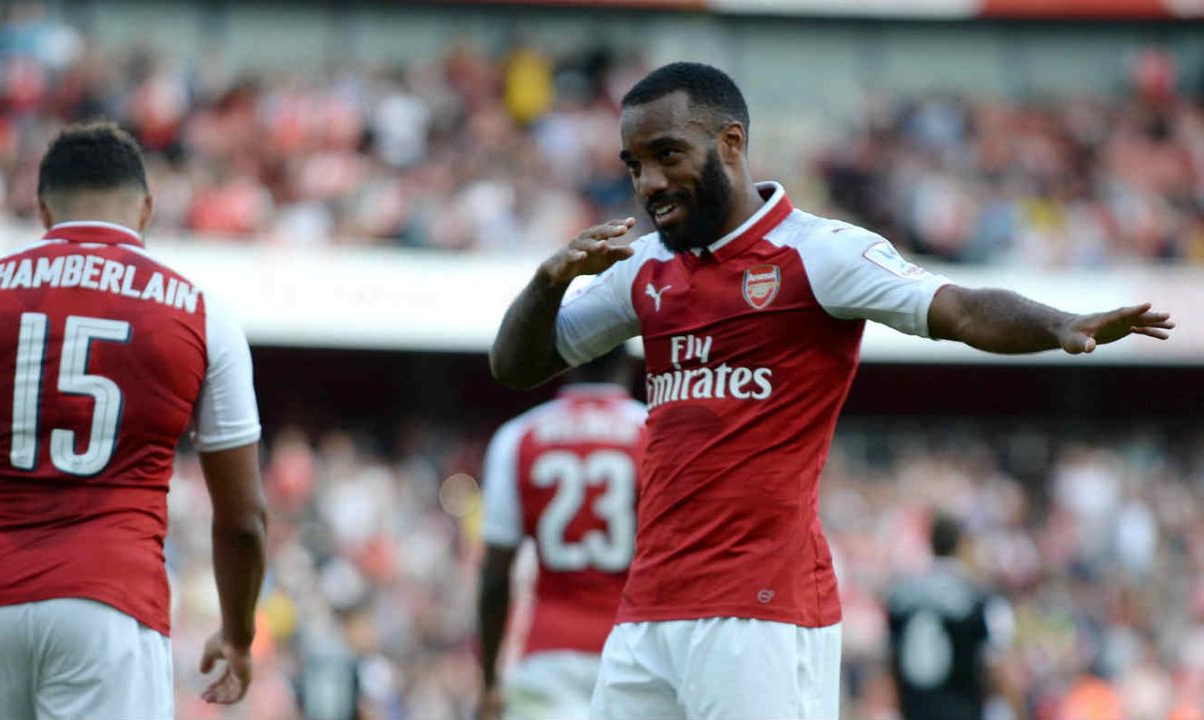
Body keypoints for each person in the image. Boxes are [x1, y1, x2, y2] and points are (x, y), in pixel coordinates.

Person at [488, 62, 1174, 720]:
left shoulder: (817, 253)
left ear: (730, 143)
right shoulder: (644, 270)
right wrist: (550, 282)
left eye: (666, 154)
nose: (649, 182)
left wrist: (1060, 324)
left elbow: (957, 307)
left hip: (761, 611)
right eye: (634, 165)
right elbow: (516, 367)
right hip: (646, 612)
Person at [0, 121, 267, 719]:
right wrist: (238, 633)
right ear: (146, 209)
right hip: (112, 600)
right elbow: (242, 520)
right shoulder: (202, 312)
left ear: (42, 210)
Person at [478, 347, 646, 720]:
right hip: (634, 654)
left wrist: (489, 678)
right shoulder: (653, 432)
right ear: (628, 361)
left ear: (564, 361)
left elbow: (495, 574)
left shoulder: (519, 436)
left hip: (547, 656)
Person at [886, 513, 1021, 720]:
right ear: (961, 545)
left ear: (931, 543)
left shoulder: (900, 597)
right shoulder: (981, 600)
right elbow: (999, 669)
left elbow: (889, 663)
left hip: (914, 710)